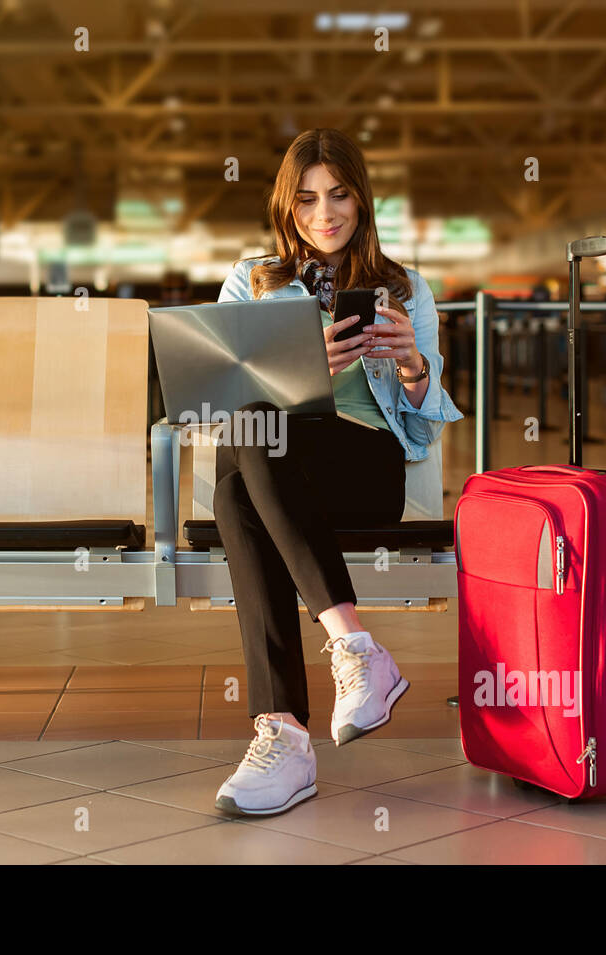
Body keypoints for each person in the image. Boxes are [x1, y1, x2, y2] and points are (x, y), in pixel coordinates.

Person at [211, 128, 462, 816]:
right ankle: (343, 661)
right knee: (246, 442)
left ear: (362, 197)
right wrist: (296, 376)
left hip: (365, 464)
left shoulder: (404, 287)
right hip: (277, 467)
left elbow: (423, 421)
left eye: (341, 195)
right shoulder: (251, 280)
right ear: (286, 206)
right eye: (308, 199)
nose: (326, 214)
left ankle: (284, 733)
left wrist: (413, 366)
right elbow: (220, 400)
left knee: (242, 472)